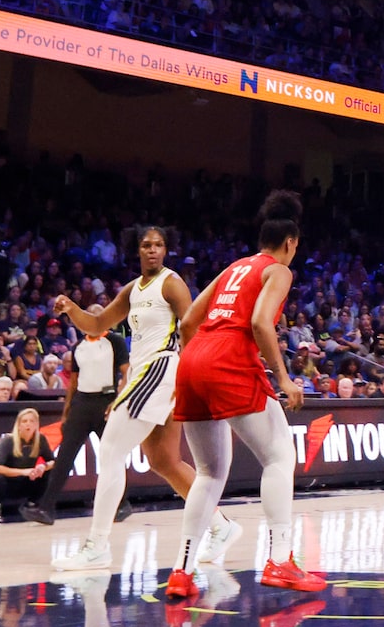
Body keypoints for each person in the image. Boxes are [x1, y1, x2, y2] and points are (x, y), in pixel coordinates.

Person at [164, 192, 326, 598]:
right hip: (229, 357)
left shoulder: (233, 267)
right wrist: (285, 378)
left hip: (194, 359)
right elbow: (258, 323)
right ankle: (280, 560)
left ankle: (181, 572)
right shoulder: (279, 271)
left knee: (210, 472)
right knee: (279, 455)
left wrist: (197, 363)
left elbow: (187, 321)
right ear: (290, 242)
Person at [52, 227, 197, 572]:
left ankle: (97, 545)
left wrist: (188, 376)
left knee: (111, 450)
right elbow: (98, 323)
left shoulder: (171, 283)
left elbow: (192, 328)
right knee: (163, 461)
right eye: (146, 245)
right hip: (144, 376)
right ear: (136, 250)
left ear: (166, 250)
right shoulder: (133, 289)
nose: (152, 250)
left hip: (161, 370)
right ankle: (221, 526)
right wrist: (72, 309)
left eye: (158, 245)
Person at [34, 323, 120, 524]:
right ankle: (46, 508)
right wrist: (66, 413)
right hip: (81, 404)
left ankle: (121, 504)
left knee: (110, 457)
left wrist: (118, 401)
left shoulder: (114, 341)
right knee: (65, 455)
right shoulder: (79, 345)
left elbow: (127, 371)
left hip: (106, 403)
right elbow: (73, 382)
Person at [0, 408, 49, 519]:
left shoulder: (41, 439)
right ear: (19, 425)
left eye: (32, 421)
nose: (28, 424)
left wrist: (43, 466)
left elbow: (52, 461)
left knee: (49, 472)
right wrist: (24, 471)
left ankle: (32, 504)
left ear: (37, 424)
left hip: (27, 482)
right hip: (9, 484)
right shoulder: (8, 440)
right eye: (25, 421)